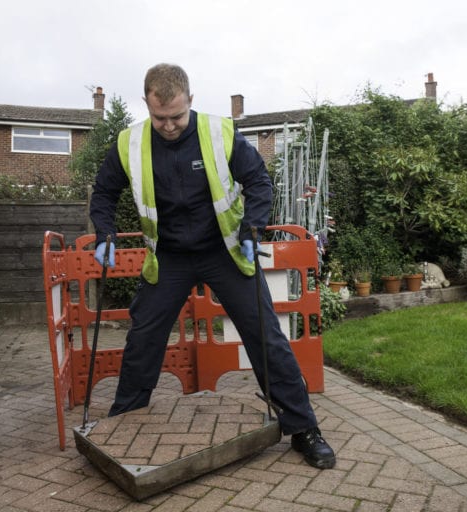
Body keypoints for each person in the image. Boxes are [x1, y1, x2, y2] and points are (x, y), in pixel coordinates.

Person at [89, 63, 335, 469]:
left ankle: (304, 428)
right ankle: (122, 425)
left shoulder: (220, 132)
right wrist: (104, 234)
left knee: (265, 336)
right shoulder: (129, 143)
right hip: (169, 257)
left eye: (177, 117)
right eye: (159, 118)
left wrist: (252, 228)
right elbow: (103, 192)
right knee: (143, 338)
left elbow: (258, 180)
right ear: (147, 105)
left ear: (191, 100)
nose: (168, 126)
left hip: (224, 250)